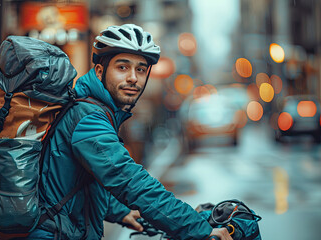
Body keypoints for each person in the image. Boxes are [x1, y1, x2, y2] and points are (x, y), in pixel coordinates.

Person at [26, 24, 233, 240]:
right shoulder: (88, 118)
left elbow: (81, 184)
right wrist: (200, 230)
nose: (133, 77)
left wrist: (121, 212)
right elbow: (130, 182)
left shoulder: (95, 109)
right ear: (99, 71)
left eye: (140, 69)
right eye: (122, 67)